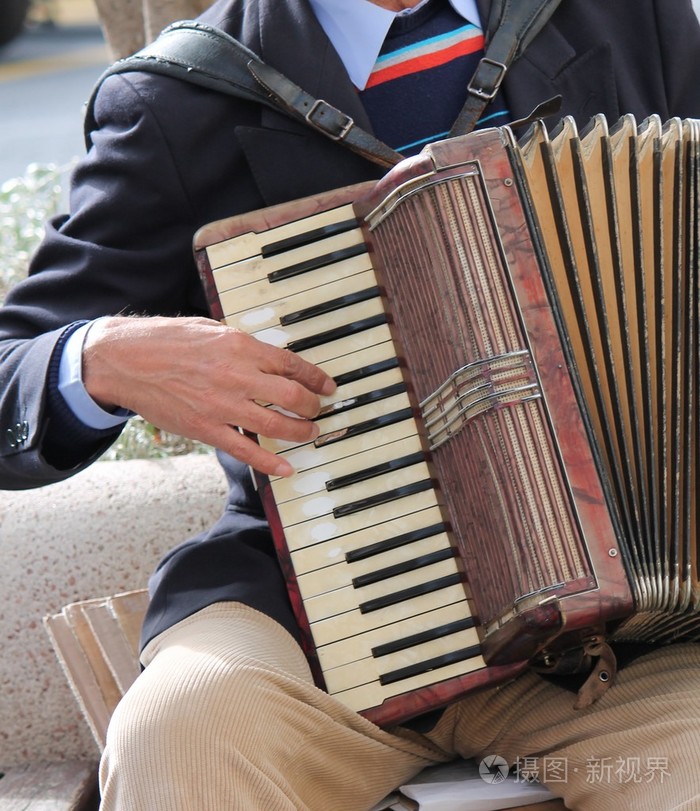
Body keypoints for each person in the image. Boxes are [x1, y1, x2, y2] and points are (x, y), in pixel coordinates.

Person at [2, 0, 700, 808]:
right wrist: (101, 359)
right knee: (182, 733)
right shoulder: (183, 97)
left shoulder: (624, 18)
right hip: (312, 618)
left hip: (617, 637)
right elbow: (13, 365)